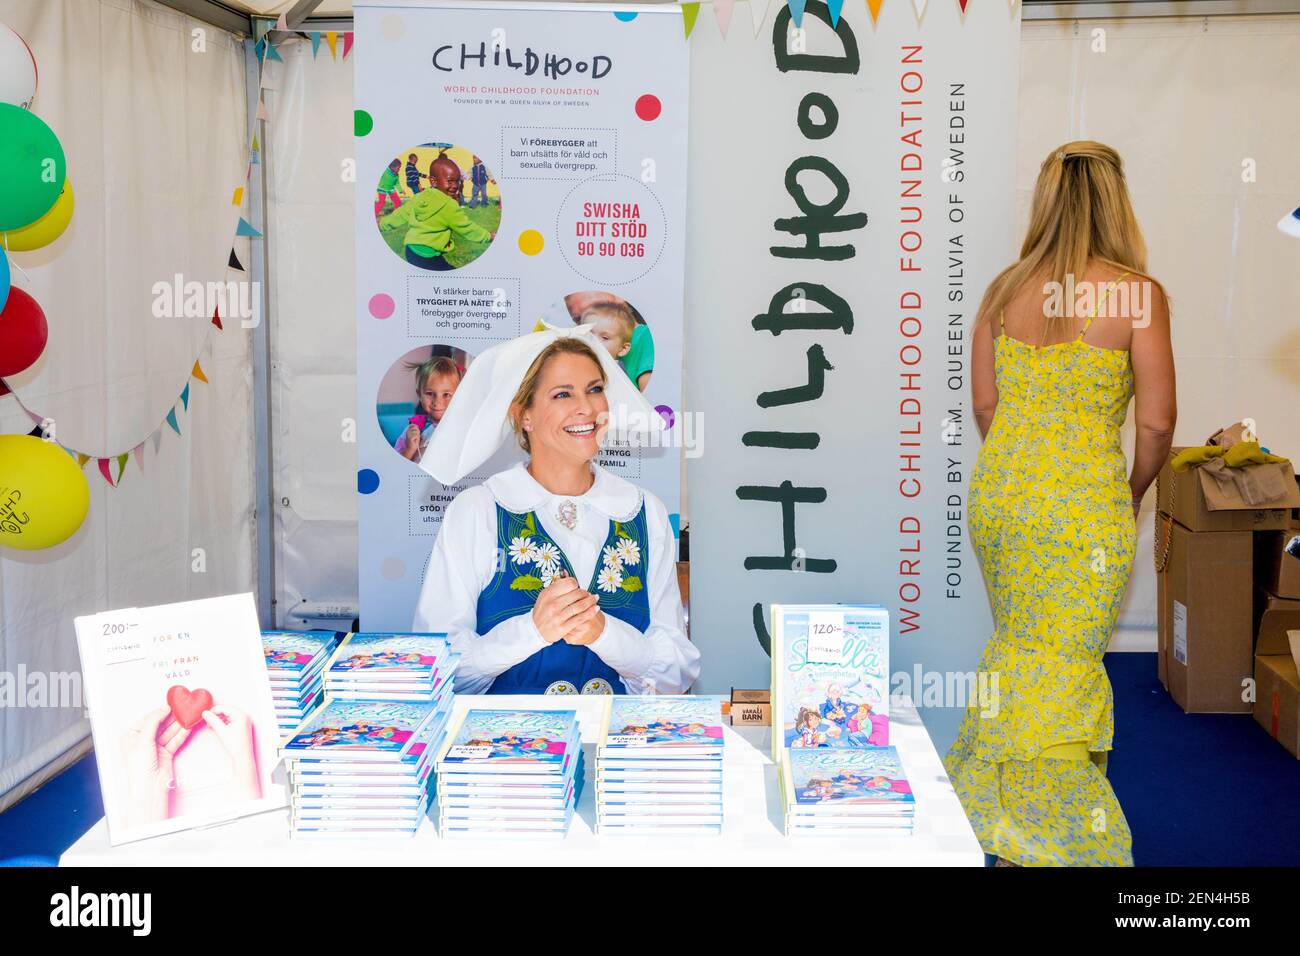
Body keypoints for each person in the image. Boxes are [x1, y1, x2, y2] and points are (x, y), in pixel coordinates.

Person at [943, 141, 1176, 867]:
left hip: (1003, 499)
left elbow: (986, 404)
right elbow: (1159, 421)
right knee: (1065, 664)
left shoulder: (1001, 290)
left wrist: (1020, 465)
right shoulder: (1137, 294)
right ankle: (1062, 838)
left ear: (1045, 199)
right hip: (1084, 507)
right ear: (1117, 200)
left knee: (1021, 655)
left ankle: (1006, 824)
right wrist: (1130, 491)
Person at [412, 325, 699, 695]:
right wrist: (532, 631)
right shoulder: (478, 511)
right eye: (563, 394)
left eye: (595, 389)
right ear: (523, 415)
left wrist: (605, 634)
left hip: (619, 743)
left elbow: (677, 671)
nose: (587, 408)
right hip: (509, 748)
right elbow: (435, 667)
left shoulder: (644, 511)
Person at [379, 150, 496, 270]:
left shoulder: (420, 196)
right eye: (450, 181)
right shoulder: (449, 205)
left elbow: (400, 214)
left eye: (457, 181)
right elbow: (467, 227)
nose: (455, 185)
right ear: (434, 181)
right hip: (429, 255)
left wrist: (382, 224)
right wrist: (488, 236)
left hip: (411, 250)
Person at [394, 355, 461, 464]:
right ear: (419, 394)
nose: (437, 402)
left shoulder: (461, 428)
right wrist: (410, 449)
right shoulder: (412, 431)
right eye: (430, 394)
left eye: (446, 394)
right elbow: (395, 465)